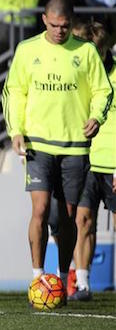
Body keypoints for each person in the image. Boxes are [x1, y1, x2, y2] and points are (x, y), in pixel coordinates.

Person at [2, 0, 113, 285]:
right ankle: (38, 278)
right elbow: (14, 91)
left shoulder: (86, 52)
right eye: (54, 26)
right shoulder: (27, 50)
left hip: (74, 145)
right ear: (44, 20)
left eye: (64, 27)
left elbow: (103, 91)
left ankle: (63, 278)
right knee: (39, 210)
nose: (59, 31)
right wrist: (16, 130)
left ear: (70, 24)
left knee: (68, 217)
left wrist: (96, 117)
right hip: (38, 144)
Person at [71, 22, 116, 301]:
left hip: (112, 161)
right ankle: (83, 284)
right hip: (85, 161)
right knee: (82, 221)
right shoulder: (80, 74)